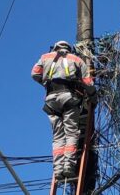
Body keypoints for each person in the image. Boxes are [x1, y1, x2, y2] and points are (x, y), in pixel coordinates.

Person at [31, 40, 96, 181]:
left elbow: (34, 74)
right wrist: (93, 96)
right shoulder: (76, 59)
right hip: (68, 98)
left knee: (57, 137)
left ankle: (58, 169)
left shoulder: (45, 57)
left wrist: (46, 82)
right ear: (69, 49)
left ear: (55, 48)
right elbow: (88, 82)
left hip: (51, 101)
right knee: (71, 133)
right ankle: (68, 166)